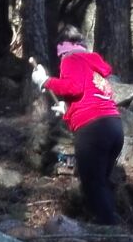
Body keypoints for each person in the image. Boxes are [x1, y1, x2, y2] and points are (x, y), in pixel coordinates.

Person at [32, 25, 122, 225]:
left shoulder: (70, 59)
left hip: (93, 129)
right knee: (101, 181)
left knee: (92, 182)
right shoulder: (91, 63)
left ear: (62, 47)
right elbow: (89, 94)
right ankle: (107, 224)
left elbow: (74, 87)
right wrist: (68, 110)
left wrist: (46, 81)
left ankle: (108, 231)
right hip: (114, 126)